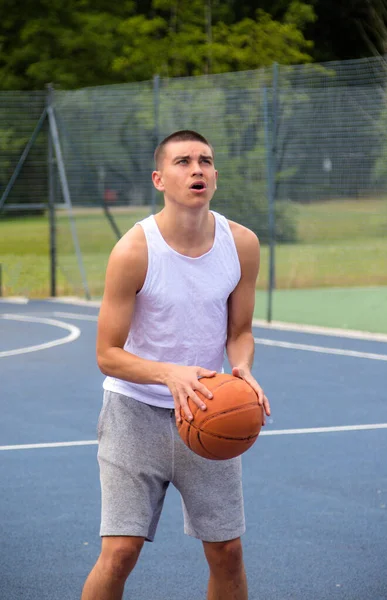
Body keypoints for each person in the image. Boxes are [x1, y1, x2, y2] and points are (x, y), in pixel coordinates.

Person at [81, 130, 270, 600]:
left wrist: (241, 368)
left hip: (208, 408)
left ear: (216, 176)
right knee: (121, 551)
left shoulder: (242, 244)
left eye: (205, 161)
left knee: (227, 551)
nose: (197, 169)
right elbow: (107, 353)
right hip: (135, 412)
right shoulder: (134, 250)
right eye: (183, 162)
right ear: (159, 179)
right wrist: (170, 372)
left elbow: (240, 332)